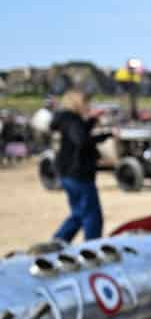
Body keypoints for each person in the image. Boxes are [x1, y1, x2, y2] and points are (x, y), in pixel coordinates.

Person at [50, 90, 109, 242]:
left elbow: (79, 133)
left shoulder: (66, 119)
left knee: (79, 213)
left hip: (68, 172)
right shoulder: (72, 119)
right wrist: (104, 136)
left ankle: (58, 241)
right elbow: (81, 140)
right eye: (85, 102)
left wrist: (92, 120)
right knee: (92, 215)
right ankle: (92, 247)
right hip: (78, 173)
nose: (87, 105)